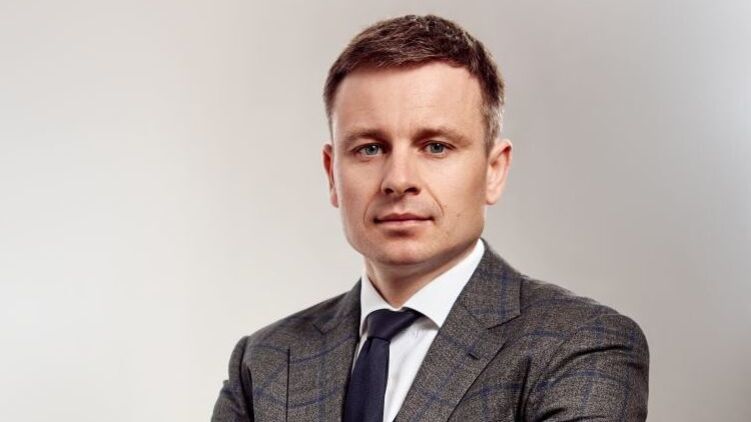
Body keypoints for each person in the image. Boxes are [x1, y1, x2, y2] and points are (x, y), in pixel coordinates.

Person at [211, 14, 649, 422]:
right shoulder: (264, 361)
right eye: (369, 148)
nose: (398, 180)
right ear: (332, 174)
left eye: (436, 146)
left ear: (494, 170)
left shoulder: (580, 345)